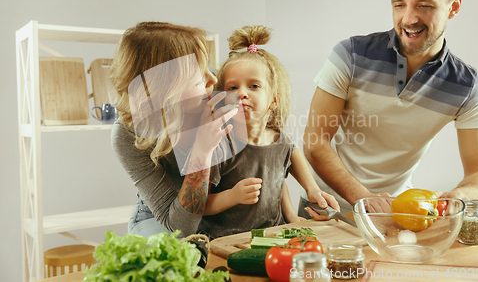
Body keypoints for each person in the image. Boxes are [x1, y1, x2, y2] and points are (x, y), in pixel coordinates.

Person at [300, 0, 478, 215]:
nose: (408, 19)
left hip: (394, 213)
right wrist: (362, 197)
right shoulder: (350, 55)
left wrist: (458, 195)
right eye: (399, 4)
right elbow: (315, 142)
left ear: (454, 6)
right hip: (324, 207)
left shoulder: (469, 87)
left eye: (424, 5)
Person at [198, 25, 340, 239]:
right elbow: (200, 205)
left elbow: (279, 174)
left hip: (272, 235)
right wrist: (232, 196)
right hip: (226, 238)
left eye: (254, 86)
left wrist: (307, 195)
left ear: (274, 100)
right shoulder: (220, 144)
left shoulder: (279, 141)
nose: (242, 93)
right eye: (232, 88)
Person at [109, 22, 239, 238]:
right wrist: (202, 150)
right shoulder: (128, 134)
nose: (214, 80)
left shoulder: (215, 94)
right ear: (166, 89)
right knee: (179, 250)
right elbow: (180, 228)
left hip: (217, 208)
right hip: (162, 219)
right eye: (199, 78)